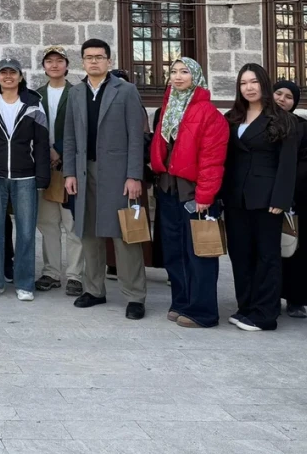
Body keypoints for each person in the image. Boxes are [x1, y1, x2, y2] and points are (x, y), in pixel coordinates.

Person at [63, 38, 148, 320]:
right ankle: (94, 290)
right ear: (83, 62)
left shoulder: (126, 91)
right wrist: (70, 172)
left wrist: (134, 175)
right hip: (84, 171)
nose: (94, 61)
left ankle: (134, 296)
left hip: (118, 173)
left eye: (99, 57)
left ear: (109, 61)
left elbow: (137, 136)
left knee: (124, 235)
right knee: (88, 233)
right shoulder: (76, 93)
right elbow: (70, 137)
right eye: (89, 57)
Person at [149, 58, 227, 328]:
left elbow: (212, 159)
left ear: (196, 77)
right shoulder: (168, 108)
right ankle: (181, 301)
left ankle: (203, 311)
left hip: (194, 194)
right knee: (174, 251)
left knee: (200, 254)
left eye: (184, 72)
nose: (178, 76)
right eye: (174, 71)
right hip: (168, 189)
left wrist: (205, 196)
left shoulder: (208, 113)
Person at [222, 62, 298, 332]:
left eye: (253, 82)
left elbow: (288, 164)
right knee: (240, 254)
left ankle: (265, 314)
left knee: (267, 256)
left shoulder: (281, 119)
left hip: (267, 198)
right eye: (243, 83)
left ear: (264, 84)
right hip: (235, 197)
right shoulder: (232, 118)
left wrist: (281, 199)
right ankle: (246, 307)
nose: (249, 87)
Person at [0, 59, 50, 301]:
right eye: (4, 73)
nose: (8, 77)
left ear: (20, 76)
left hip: (26, 176)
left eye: (13, 73)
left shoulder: (33, 104)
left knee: (27, 232)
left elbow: (41, 144)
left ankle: (25, 284)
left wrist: (42, 177)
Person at [35, 46, 84, 296]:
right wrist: (48, 151)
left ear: (67, 65)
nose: (54, 65)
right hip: (44, 166)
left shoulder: (77, 93)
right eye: (49, 61)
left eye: (59, 61)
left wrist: (62, 151)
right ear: (44, 66)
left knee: (73, 223)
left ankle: (75, 274)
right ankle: (51, 271)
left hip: (70, 166)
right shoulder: (35, 95)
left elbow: (81, 129)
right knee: (47, 222)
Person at [272, 79, 307, 318]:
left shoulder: (303, 127)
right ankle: (269, 295)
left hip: (294, 196)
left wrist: (286, 191)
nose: (282, 99)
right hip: (265, 195)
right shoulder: (261, 123)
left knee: (295, 246)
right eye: (278, 93)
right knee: (269, 247)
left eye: (288, 96)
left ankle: (295, 298)